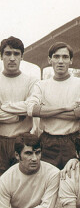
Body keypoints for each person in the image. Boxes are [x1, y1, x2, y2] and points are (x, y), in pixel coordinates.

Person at [27, 42, 80, 169]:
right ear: (50, 60)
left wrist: (46, 111)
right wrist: (66, 108)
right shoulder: (41, 85)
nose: (60, 61)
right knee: (49, 179)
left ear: (71, 60)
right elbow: (32, 110)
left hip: (73, 139)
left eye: (65, 57)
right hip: (48, 141)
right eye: (56, 57)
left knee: (72, 179)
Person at [0, 37, 38, 175]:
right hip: (1, 140)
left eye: (16, 54)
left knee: (22, 181)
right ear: (1, 56)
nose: (12, 58)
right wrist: (18, 116)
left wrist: (4, 106)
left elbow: (31, 107)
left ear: (22, 57)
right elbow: (24, 110)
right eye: (8, 53)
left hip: (23, 141)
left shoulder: (31, 81)